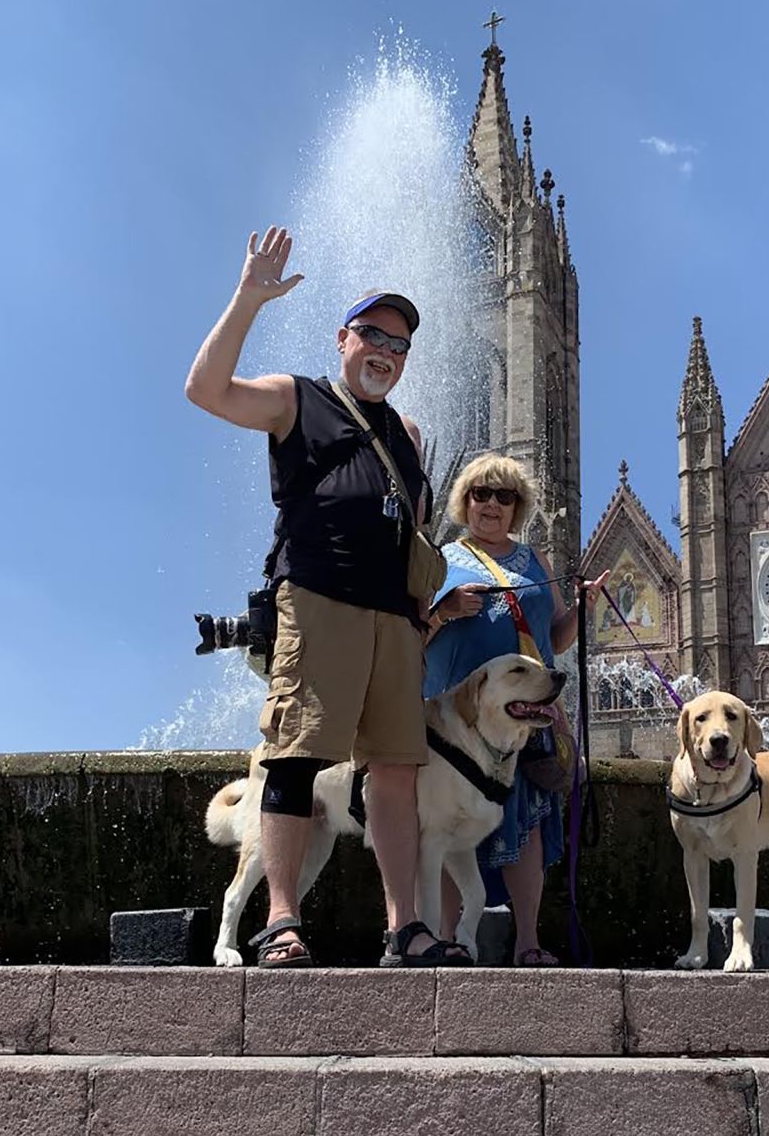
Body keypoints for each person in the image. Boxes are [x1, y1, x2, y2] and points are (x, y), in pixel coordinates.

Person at [185, 225, 468, 968]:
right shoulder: (297, 397)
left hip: (394, 622)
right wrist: (250, 297)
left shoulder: (406, 432)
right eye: (373, 334)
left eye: (400, 344)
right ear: (344, 337)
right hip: (315, 601)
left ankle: (405, 927)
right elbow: (205, 389)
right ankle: (281, 920)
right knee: (294, 758)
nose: (385, 350)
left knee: (398, 773)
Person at [424, 453, 609, 965]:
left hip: (525, 719)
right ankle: (446, 938)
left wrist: (582, 609)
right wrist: (446, 610)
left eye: (505, 497)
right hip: (456, 723)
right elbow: (410, 634)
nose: (491, 504)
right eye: (482, 493)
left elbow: (554, 642)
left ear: (518, 508)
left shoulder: (534, 562)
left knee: (526, 821)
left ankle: (528, 941)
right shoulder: (441, 558)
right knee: (445, 822)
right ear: (465, 500)